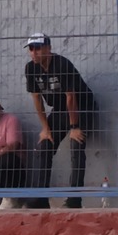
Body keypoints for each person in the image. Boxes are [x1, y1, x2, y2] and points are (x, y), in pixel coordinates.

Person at [24, 32, 97, 209]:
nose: (34, 52)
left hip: (82, 106)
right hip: (59, 110)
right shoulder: (31, 68)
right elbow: (36, 99)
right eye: (31, 49)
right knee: (44, 145)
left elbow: (71, 97)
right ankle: (41, 198)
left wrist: (74, 127)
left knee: (76, 144)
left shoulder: (62, 64)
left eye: (38, 48)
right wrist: (45, 128)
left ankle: (74, 199)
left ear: (48, 48)